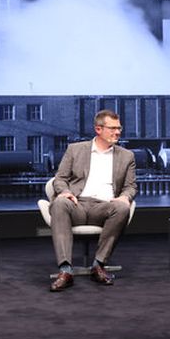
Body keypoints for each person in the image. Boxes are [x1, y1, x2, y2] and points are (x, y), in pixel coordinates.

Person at [48, 109, 137, 291]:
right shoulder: (75, 150)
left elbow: (130, 186)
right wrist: (64, 192)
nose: (118, 132)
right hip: (77, 203)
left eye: (119, 128)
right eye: (112, 128)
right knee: (59, 202)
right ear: (98, 129)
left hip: (105, 207)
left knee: (122, 208)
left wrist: (125, 197)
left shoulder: (127, 156)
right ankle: (65, 270)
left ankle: (98, 265)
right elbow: (60, 178)